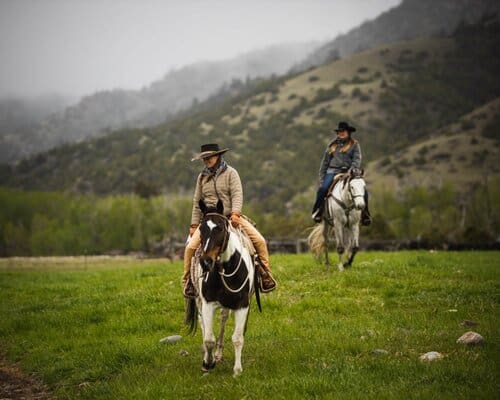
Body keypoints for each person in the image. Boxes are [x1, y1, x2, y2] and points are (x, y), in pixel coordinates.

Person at [182, 143, 277, 298]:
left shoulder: (231, 173)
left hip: (229, 217)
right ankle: (188, 282)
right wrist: (194, 224)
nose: (206, 160)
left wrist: (235, 213)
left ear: (218, 156)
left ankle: (264, 276)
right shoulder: (202, 177)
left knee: (259, 241)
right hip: (208, 220)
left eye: (209, 157)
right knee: (190, 248)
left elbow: (237, 195)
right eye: (204, 158)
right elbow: (196, 201)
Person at [311, 121, 372, 225]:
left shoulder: (354, 145)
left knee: (363, 190)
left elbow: (357, 159)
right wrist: (322, 177)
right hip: (332, 171)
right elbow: (325, 162)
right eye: (339, 132)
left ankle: (365, 214)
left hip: (350, 171)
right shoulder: (332, 145)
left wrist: (352, 170)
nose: (341, 133)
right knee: (323, 189)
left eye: (343, 131)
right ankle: (318, 211)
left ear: (348, 132)